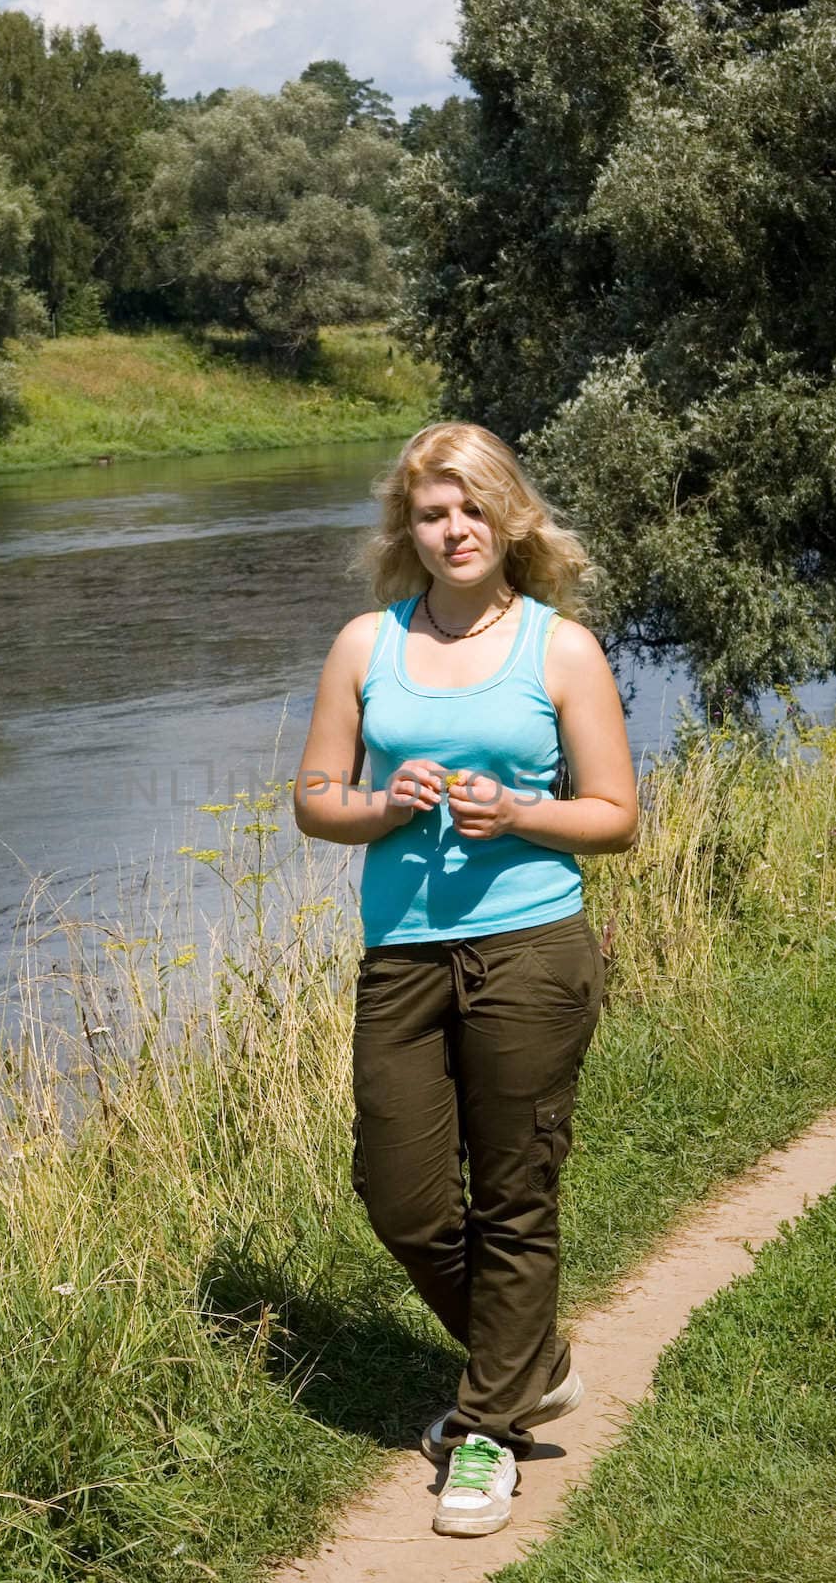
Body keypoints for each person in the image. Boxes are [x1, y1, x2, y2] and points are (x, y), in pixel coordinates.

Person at [293, 421, 637, 1539]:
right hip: (401, 952)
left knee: (514, 1192)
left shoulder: (560, 650)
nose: (453, 529)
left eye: (472, 508)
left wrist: (519, 811)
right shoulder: (363, 645)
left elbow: (615, 816)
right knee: (397, 1192)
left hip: (532, 948)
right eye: (432, 511)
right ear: (409, 527)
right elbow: (312, 798)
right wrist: (386, 804)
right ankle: (528, 1356)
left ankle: (485, 1434)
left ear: (510, 520)